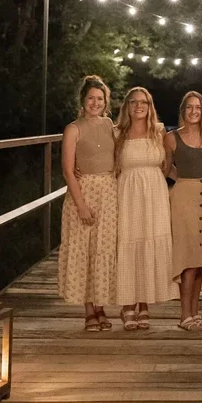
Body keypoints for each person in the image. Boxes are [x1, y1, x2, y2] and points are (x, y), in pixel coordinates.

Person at [58, 74, 117, 332]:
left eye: (100, 99)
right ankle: (89, 310)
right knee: (84, 250)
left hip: (109, 193)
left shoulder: (110, 125)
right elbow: (68, 170)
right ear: (83, 100)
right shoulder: (73, 129)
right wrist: (81, 205)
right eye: (91, 98)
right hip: (83, 192)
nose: (95, 103)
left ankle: (101, 306)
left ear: (106, 102)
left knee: (103, 249)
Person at [115, 86, 177, 330]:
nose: (139, 106)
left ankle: (144, 304)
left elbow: (168, 164)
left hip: (154, 193)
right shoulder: (117, 133)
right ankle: (127, 305)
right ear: (127, 107)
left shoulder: (159, 131)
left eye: (144, 102)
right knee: (129, 243)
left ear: (150, 106)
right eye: (133, 102)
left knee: (149, 243)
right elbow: (107, 163)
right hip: (128, 194)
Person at [165, 90, 202, 331]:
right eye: (189, 107)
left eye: (198, 107)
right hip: (184, 199)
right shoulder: (171, 138)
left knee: (201, 260)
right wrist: (183, 181)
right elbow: (165, 167)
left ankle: (195, 313)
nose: (194, 111)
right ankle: (185, 315)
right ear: (183, 110)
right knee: (187, 259)